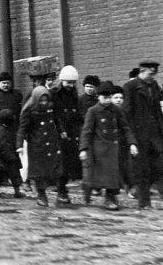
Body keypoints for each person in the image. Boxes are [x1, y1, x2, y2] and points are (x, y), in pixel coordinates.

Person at [79, 82, 138, 211]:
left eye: (109, 97)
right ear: (98, 97)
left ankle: (110, 198)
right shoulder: (93, 111)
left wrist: (132, 143)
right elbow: (87, 131)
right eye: (104, 97)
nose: (107, 100)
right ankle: (89, 191)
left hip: (114, 148)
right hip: (99, 149)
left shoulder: (116, 110)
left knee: (113, 175)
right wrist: (83, 149)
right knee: (94, 176)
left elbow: (125, 127)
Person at [122, 60, 163, 210]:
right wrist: (131, 140)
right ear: (142, 71)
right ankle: (144, 202)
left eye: (155, 74)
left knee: (160, 165)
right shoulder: (130, 87)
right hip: (140, 136)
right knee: (143, 169)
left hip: (155, 135)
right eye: (151, 73)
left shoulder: (154, 86)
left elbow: (158, 110)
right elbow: (126, 114)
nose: (153, 76)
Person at [16, 86, 64, 207]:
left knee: (53, 169)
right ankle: (41, 195)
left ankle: (58, 191)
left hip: (50, 143)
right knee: (39, 173)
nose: (44, 103)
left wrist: (61, 131)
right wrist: (19, 145)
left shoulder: (50, 109)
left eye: (45, 100)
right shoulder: (30, 111)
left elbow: (57, 121)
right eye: (41, 100)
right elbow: (22, 129)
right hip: (37, 145)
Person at [50, 65, 81, 204]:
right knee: (61, 162)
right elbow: (54, 114)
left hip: (71, 130)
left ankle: (62, 188)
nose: (71, 85)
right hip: (59, 132)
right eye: (68, 82)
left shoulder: (73, 92)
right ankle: (61, 190)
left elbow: (76, 112)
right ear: (62, 80)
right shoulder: (54, 93)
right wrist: (60, 129)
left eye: (73, 82)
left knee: (69, 162)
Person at [0, 109, 24, 198]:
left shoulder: (3, 128)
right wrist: (9, 155)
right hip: (4, 157)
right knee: (2, 175)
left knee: (11, 174)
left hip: (6, 156)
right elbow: (2, 144)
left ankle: (16, 191)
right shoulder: (1, 130)